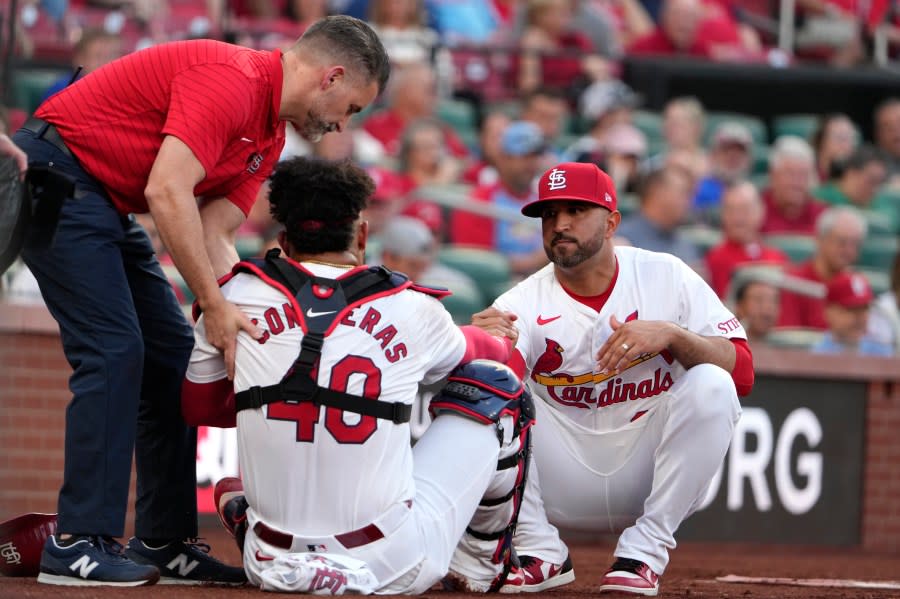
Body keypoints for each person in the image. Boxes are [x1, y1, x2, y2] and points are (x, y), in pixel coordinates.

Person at [13, 15, 390, 586]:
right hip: (58, 174)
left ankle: (163, 540)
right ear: (332, 78)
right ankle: (78, 540)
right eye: (352, 108)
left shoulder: (270, 132)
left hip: (104, 200)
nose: (342, 124)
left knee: (170, 359)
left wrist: (267, 320)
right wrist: (213, 306)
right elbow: (167, 190)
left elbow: (215, 234)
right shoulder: (232, 79)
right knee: (115, 350)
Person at [181, 157, 541, 594]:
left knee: (252, 482)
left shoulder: (230, 296)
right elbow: (499, 358)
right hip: (389, 565)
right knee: (497, 387)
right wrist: (484, 334)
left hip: (271, 563)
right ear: (363, 234)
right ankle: (481, 566)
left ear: (282, 241)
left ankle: (256, 523)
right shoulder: (412, 307)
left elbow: (198, 409)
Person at [472, 161, 752, 596]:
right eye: (549, 214)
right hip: (559, 477)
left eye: (576, 211)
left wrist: (674, 336)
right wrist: (483, 342)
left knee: (712, 383)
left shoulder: (666, 275)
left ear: (612, 221)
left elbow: (743, 371)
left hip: (650, 472)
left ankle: (644, 553)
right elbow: (495, 387)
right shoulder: (522, 300)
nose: (560, 224)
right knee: (487, 385)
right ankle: (538, 548)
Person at [778, 206, 867, 329]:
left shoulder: (857, 285)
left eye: (855, 244)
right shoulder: (795, 283)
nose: (849, 251)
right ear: (820, 240)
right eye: (842, 242)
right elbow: (788, 336)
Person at [704, 181, 788, 298]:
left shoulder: (776, 258)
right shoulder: (715, 260)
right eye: (731, 210)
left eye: (744, 210)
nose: (737, 218)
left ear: (760, 212)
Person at [811, 272, 894, 356]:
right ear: (828, 312)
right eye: (850, 309)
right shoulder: (818, 355)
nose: (859, 316)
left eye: (864, 308)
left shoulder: (881, 352)